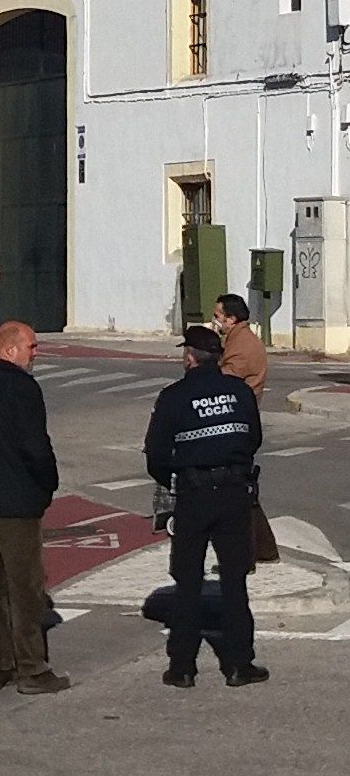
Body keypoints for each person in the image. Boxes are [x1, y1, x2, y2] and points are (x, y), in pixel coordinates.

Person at [145, 326, 268, 689]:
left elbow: (155, 455)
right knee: (234, 582)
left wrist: (178, 476)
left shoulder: (173, 397)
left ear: (189, 357)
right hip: (233, 494)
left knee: (187, 583)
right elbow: (254, 438)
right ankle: (239, 665)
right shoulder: (240, 392)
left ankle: (182, 667)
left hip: (193, 496)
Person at [0, 322, 69, 694]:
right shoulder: (22, 388)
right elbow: (35, 445)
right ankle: (32, 669)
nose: (36, 353)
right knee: (25, 587)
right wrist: (48, 481)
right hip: (17, 499)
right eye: (32, 347)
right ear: (10, 350)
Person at [214, 293, 267, 398]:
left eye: (217, 316)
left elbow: (225, 378)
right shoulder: (237, 337)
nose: (214, 320)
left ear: (231, 319)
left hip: (239, 405)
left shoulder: (243, 345)